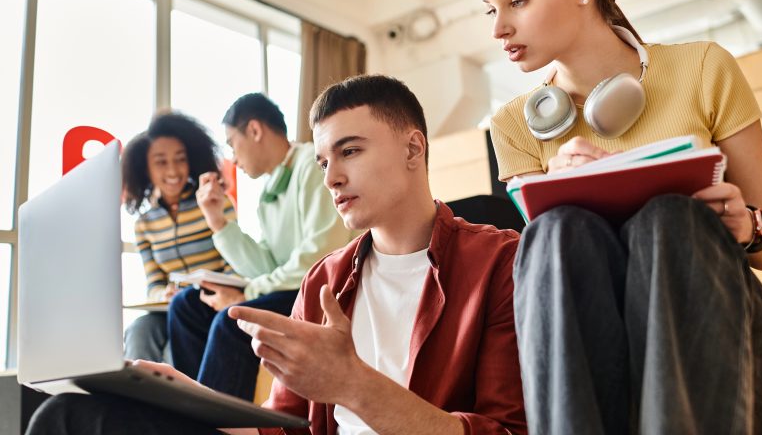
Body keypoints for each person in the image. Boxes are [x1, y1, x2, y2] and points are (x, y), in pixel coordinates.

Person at [26, 74, 528, 435]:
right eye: (324, 160)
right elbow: (281, 425)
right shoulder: (325, 279)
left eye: (350, 151)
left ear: (413, 150)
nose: (331, 177)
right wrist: (187, 395)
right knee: (68, 415)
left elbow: (503, 431)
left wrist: (354, 387)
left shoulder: (499, 262)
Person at [477, 0, 762, 433]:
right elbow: (556, 282)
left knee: (671, 219)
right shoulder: (513, 126)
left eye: (516, 1)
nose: (498, 28)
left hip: (712, 336)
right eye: (490, 10)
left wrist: (748, 227)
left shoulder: (704, 68)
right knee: (556, 230)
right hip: (594, 351)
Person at [167, 93, 353, 401]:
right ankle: (190, 411)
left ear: (254, 130)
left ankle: (215, 427)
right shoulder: (269, 191)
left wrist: (247, 294)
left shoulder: (312, 165)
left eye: (231, 143)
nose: (233, 158)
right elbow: (265, 266)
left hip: (319, 290)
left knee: (233, 322)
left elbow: (318, 260)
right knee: (186, 305)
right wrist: (218, 222)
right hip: (290, 288)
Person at [122, 112, 237, 363]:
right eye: (161, 162)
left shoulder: (214, 203)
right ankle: (135, 402)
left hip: (209, 307)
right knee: (138, 332)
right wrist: (162, 295)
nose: (173, 170)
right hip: (167, 311)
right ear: (146, 169)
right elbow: (154, 284)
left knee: (172, 352)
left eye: (180, 160)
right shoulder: (144, 225)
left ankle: (172, 401)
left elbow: (235, 265)